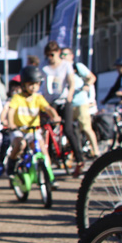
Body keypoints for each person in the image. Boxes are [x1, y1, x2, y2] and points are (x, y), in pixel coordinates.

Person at [1, 66, 60, 173]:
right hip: (19, 129)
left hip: (33, 129)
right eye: (30, 84)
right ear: (24, 85)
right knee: (20, 145)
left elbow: (48, 108)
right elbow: (11, 111)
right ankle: (12, 162)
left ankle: (49, 175)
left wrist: (54, 116)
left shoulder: (38, 98)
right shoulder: (17, 98)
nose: (33, 87)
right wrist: (11, 123)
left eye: (36, 84)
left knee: (42, 149)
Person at [40, 41, 86, 174]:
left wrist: (70, 94)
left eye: (52, 54)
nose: (50, 57)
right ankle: (47, 162)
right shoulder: (44, 66)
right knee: (47, 130)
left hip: (64, 100)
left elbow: (71, 82)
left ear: (58, 53)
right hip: (50, 102)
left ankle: (79, 160)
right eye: (48, 55)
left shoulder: (66, 65)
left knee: (68, 129)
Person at [64, 47, 100, 158]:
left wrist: (86, 85)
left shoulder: (77, 67)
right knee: (69, 131)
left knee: (86, 127)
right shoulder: (62, 69)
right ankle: (73, 155)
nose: (63, 57)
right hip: (67, 103)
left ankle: (96, 151)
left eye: (65, 54)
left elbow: (92, 77)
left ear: (71, 56)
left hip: (80, 102)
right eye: (61, 55)